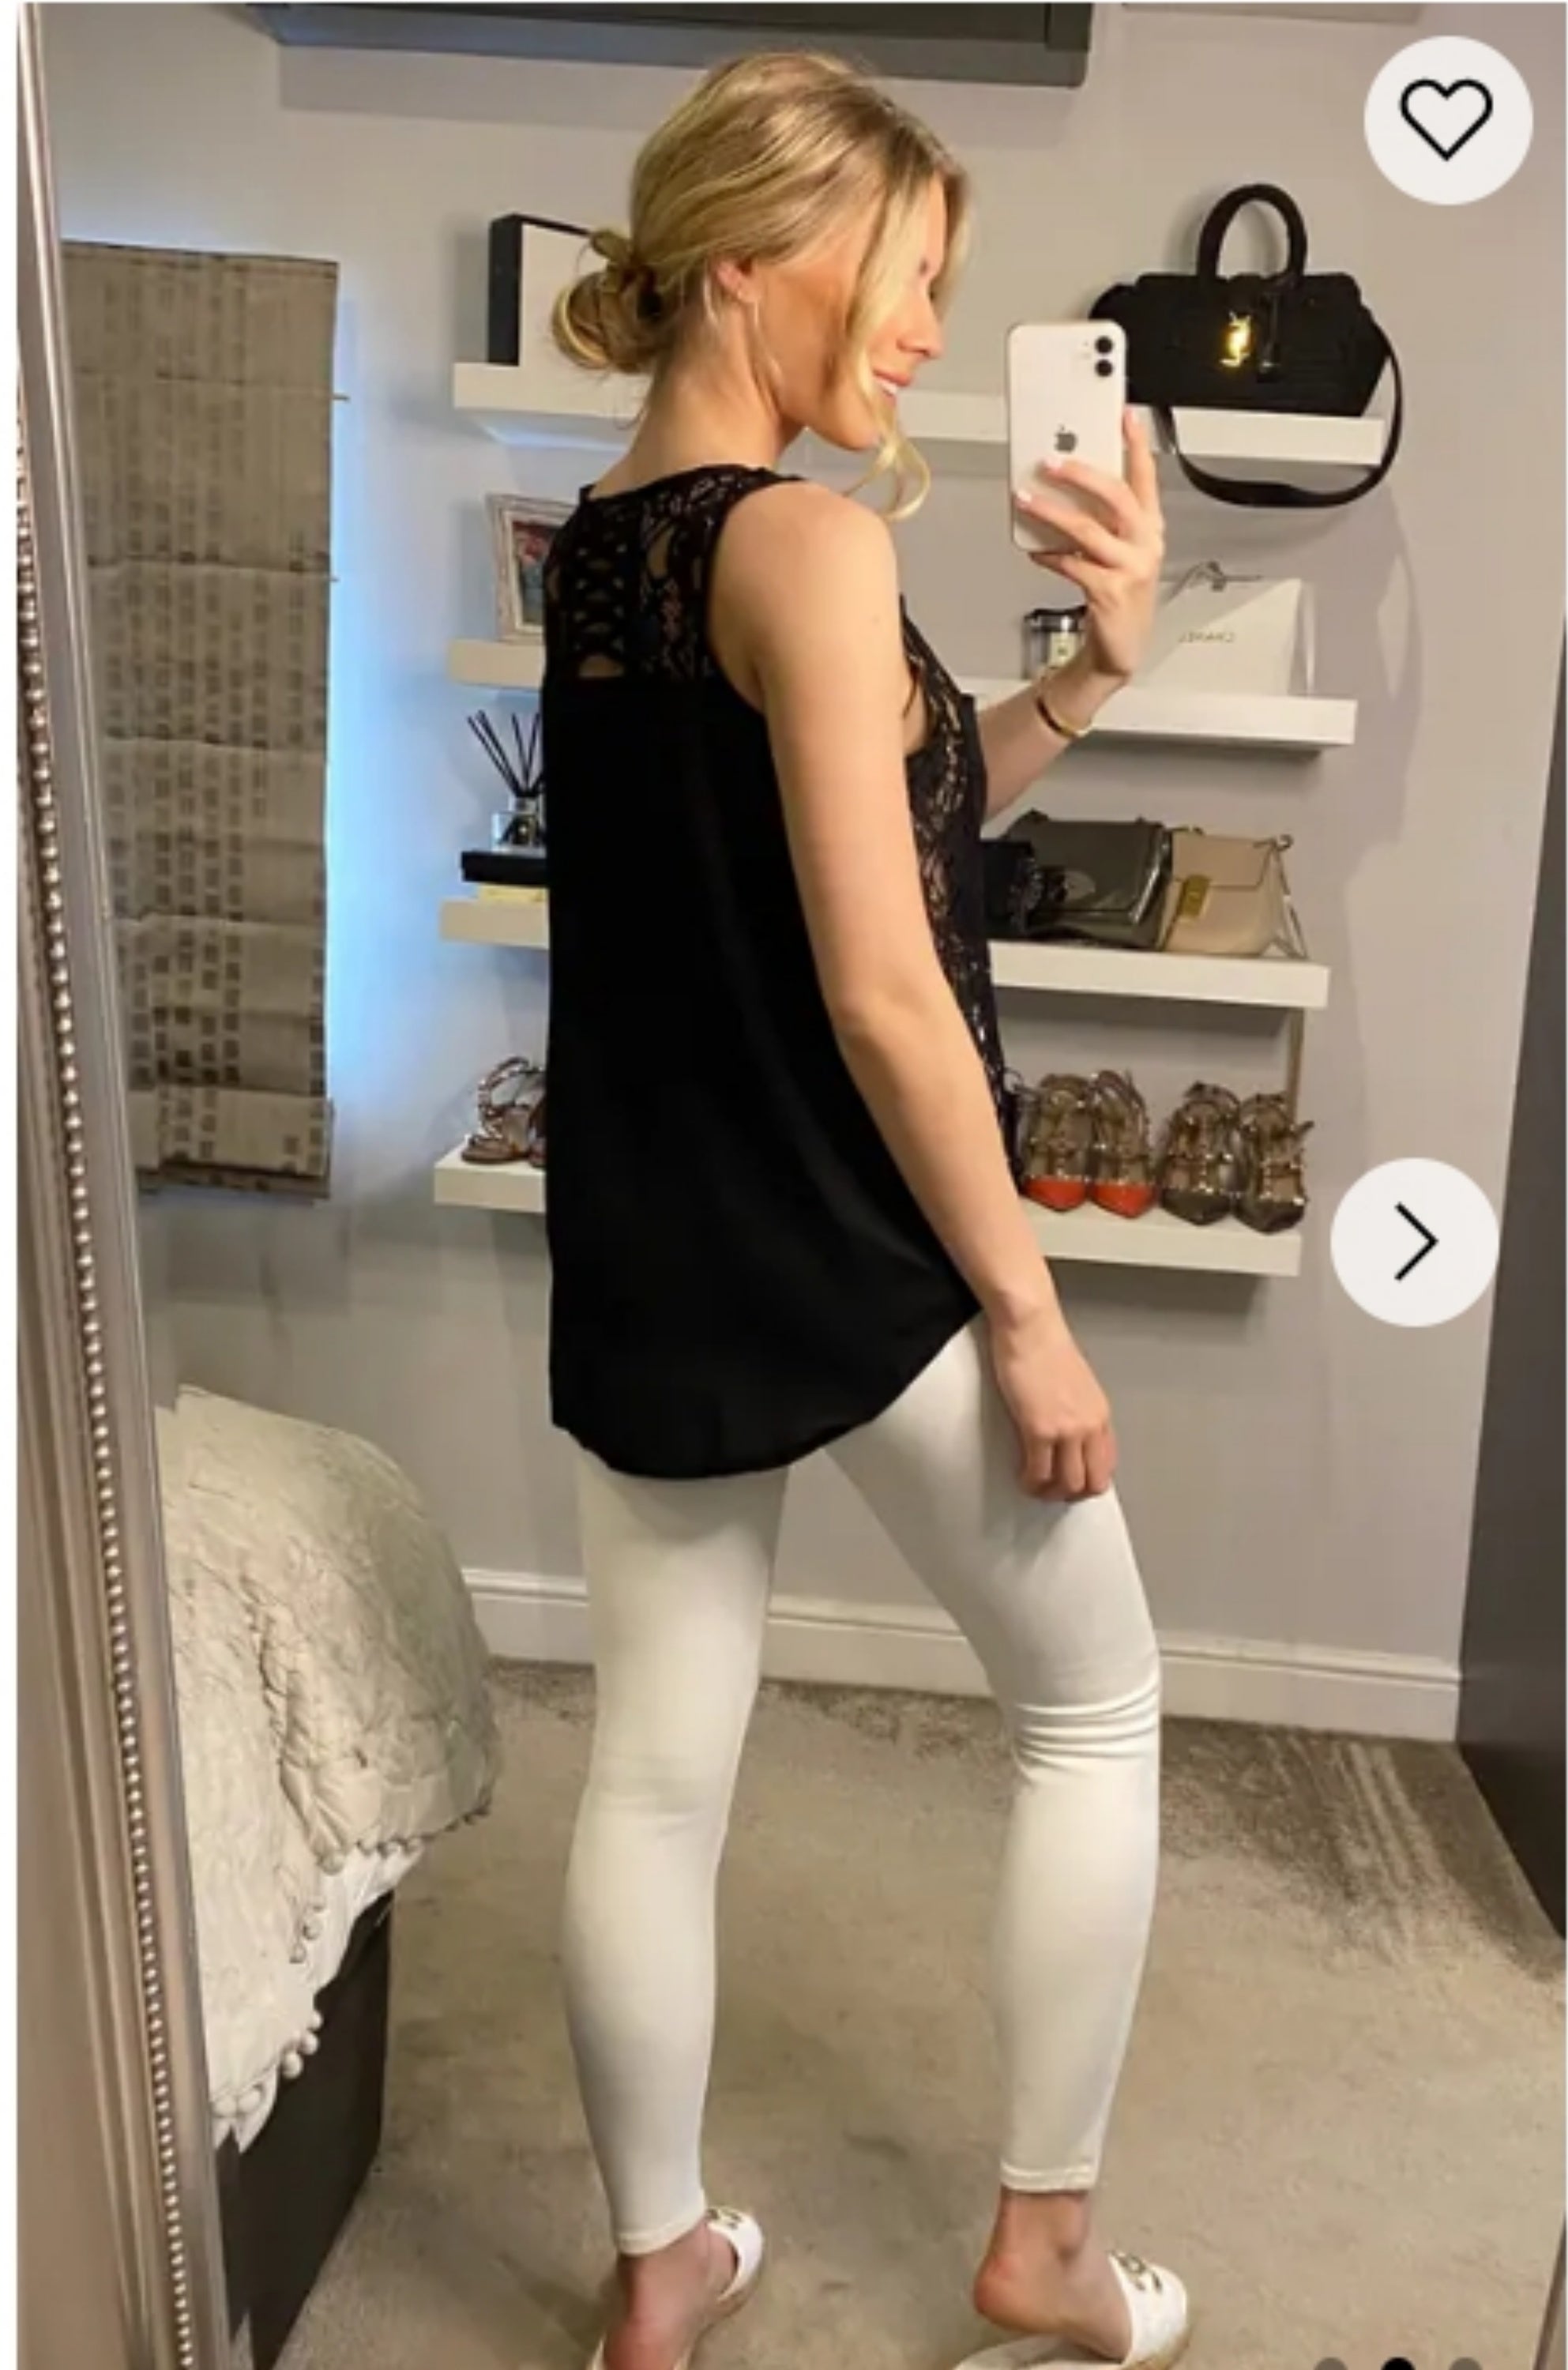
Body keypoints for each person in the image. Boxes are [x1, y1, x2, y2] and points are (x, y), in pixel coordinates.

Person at [539, 51, 1187, 2370]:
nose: (924, 330)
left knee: (654, 1773)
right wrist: (1029, 1306)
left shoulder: (604, 540)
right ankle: (1047, 2245)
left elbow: (884, 820)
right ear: (751, 261)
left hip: (652, 1242)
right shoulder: (811, 545)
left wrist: (1089, 676)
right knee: (1099, 1707)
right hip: (854, 1240)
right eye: (902, 277)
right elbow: (887, 983)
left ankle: (657, 2272)